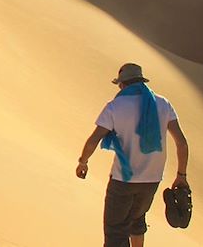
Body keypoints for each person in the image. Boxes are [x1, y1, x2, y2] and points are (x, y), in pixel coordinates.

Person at [75, 63, 190, 247]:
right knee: (137, 221)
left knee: (115, 231)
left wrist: (83, 162)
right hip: (151, 181)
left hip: (123, 180)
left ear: (122, 84)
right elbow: (182, 143)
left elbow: (94, 139)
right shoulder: (162, 103)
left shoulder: (115, 106)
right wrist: (181, 176)